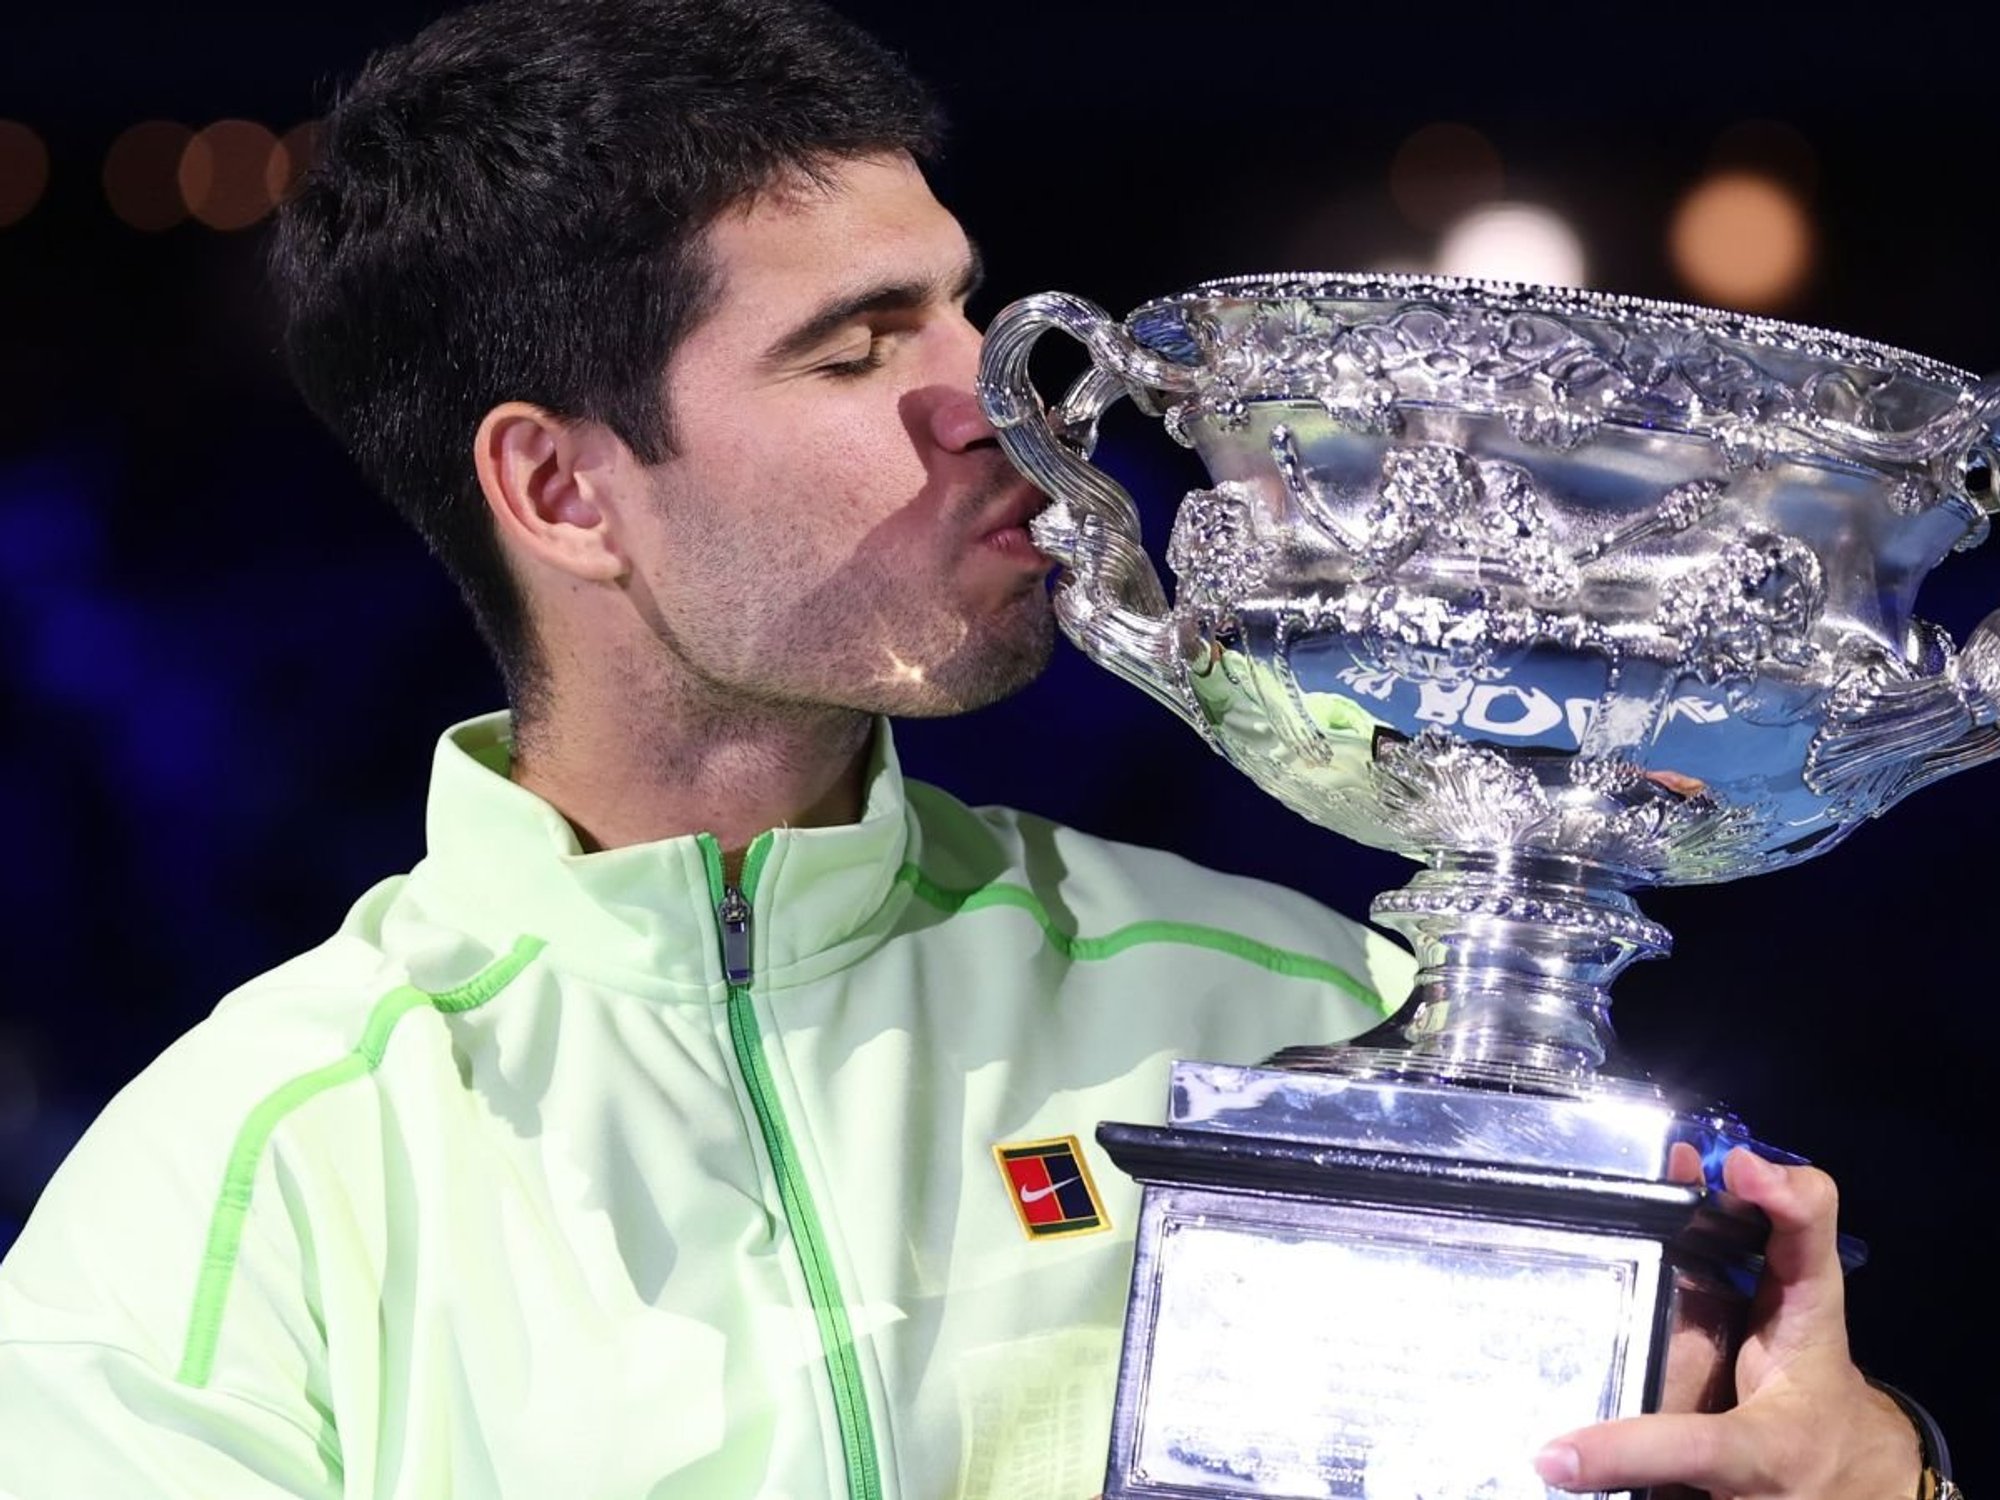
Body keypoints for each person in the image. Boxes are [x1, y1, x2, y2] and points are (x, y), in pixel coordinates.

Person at [0, 1, 1944, 1496]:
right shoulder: (235, 1192)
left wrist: (1879, 1473)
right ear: (560, 490)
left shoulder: (1304, 1007)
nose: (991, 406)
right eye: (855, 350)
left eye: (965, 307)